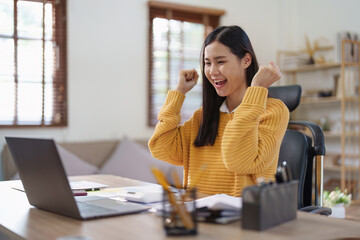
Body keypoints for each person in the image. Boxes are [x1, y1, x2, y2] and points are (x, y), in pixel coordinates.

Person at [148, 25, 289, 197]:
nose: (212, 71)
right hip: (198, 215)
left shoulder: (273, 111)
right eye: (207, 63)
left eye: (220, 62)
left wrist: (257, 89)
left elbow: (238, 161)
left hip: (242, 217)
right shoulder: (203, 116)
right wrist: (179, 93)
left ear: (246, 60)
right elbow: (161, 148)